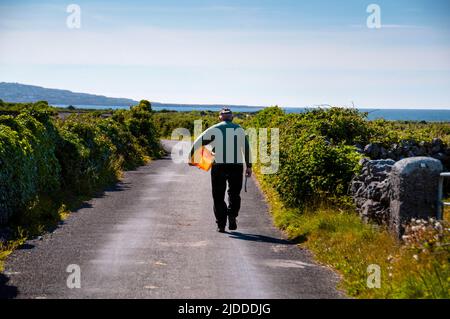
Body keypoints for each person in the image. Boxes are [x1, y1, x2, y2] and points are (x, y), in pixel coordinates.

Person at [189, 108, 252, 233]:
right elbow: (246, 147)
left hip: (219, 166)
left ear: (220, 117)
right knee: (234, 193)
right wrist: (249, 166)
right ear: (232, 117)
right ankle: (232, 215)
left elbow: (197, 142)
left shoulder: (214, 129)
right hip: (236, 165)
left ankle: (221, 225)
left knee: (218, 196)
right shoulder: (239, 129)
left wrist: (192, 157)